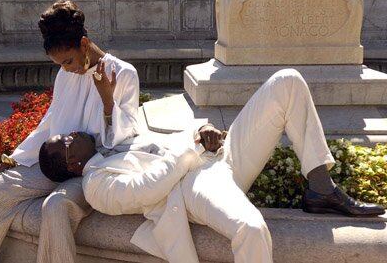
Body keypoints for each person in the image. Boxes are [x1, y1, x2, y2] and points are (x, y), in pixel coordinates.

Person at [39, 69, 385, 263]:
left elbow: (153, 132)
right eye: (66, 140)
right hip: (193, 186)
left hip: (220, 156)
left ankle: (321, 187)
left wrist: (199, 131)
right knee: (250, 229)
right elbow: (146, 189)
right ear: (71, 161)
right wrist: (192, 146)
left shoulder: (110, 144)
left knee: (287, 82)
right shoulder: (97, 185)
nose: (71, 134)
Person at [0, 0, 139, 263]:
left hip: (94, 169)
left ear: (83, 44)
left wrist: (107, 101)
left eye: (68, 61)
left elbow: (123, 139)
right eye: (61, 64)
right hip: (55, 164)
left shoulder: (124, 74)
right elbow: (50, 123)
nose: (67, 68)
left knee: (55, 207)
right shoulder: (65, 74)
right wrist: (14, 158)